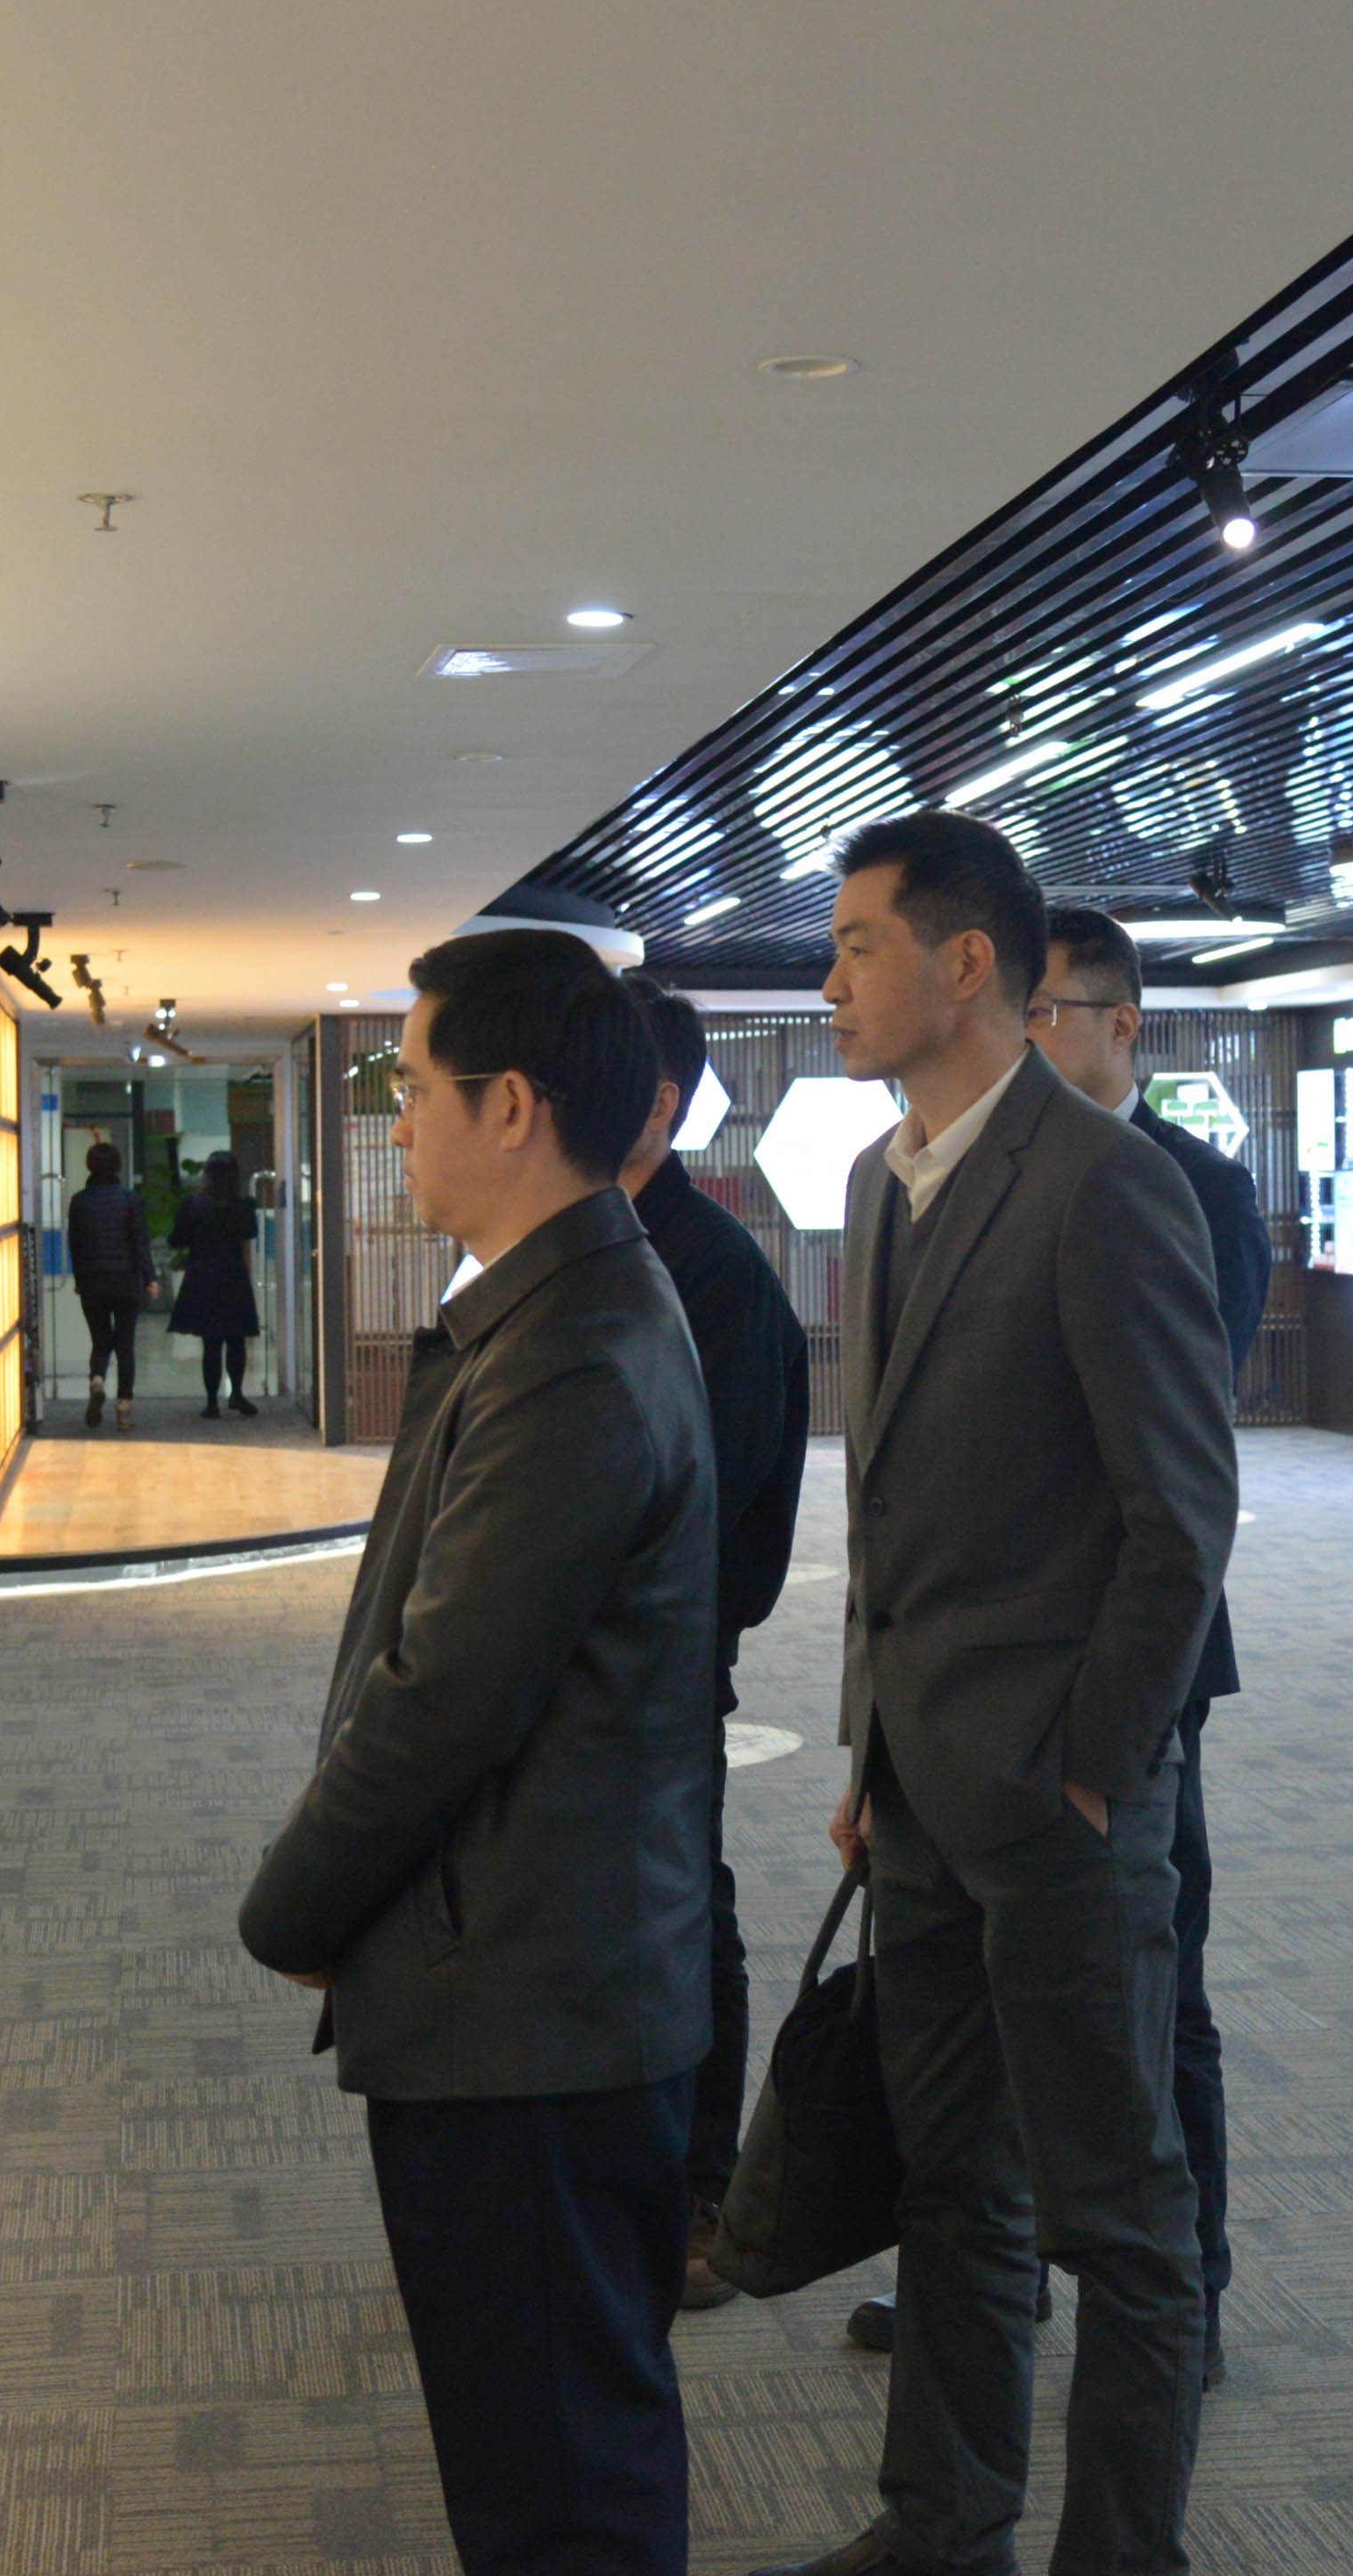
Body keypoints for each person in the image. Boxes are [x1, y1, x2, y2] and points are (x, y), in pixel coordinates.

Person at [760, 813, 1235, 2576]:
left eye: (856, 947)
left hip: (1058, 1803)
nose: (829, 983)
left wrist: (1096, 1769)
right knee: (951, 2180)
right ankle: (941, 2521)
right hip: (921, 1793)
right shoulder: (879, 1180)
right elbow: (883, 1506)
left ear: (967, 964)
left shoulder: (1104, 1183)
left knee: (1119, 2212)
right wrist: (870, 1746)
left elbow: (1179, 1520)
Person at [237, 927, 721, 2576]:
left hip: (535, 2005)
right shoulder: (553, 1306)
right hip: (534, 1980)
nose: (398, 1122)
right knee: (548, 2446)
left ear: (510, 1105)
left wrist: (296, 1906)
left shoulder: (573, 1346)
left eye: (413, 1086)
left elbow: (447, 1692)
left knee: (559, 2480)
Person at [965, 902, 1267, 2387]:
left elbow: (1180, 1453)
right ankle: (1003, 2261)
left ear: (1122, 1024)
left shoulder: (1195, 1188)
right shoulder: (979, 1176)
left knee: (1159, 1973)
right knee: (994, 1973)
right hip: (990, 1659)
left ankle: (1186, 2281)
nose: (1025, 1040)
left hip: (1137, 1654)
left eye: (1048, 1014)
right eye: (1017, 1015)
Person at [615, 975, 813, 2310]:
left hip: (670, 1653)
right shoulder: (597, 1243)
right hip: (599, 1654)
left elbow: (724, 1498)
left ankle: (706, 2191)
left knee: (689, 1906)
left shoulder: (714, 1269)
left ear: (658, 1104)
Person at [169, 1145, 266, 1416]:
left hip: (202, 1277)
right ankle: (237, 1394)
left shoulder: (193, 1204)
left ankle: (212, 1402)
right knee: (237, 1339)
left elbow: (177, 1239)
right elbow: (250, 1233)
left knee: (211, 1342)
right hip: (234, 1277)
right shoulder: (245, 1206)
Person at [66, 1138, 154, 1431]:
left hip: (93, 1281)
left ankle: (97, 1380)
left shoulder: (79, 1201)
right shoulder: (130, 1199)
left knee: (100, 1340)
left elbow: (75, 1245)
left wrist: (80, 1280)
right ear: (117, 1166)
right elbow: (140, 1244)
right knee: (125, 1343)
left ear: (89, 1166)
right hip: (126, 1280)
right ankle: (124, 1407)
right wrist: (150, 1278)